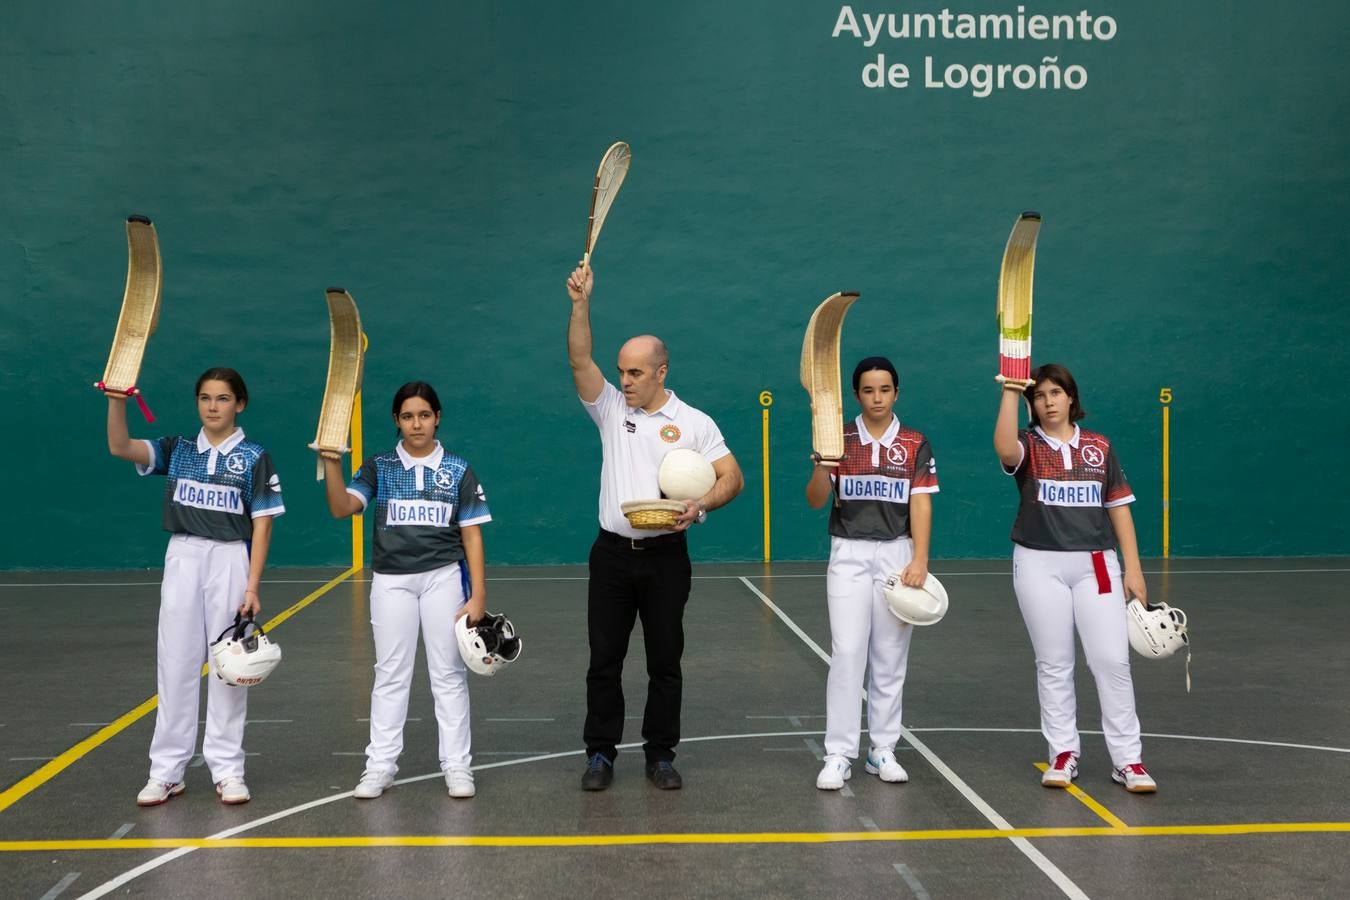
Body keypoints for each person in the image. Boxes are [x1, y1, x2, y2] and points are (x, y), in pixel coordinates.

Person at [566, 262, 744, 791]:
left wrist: (701, 506)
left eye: (635, 373)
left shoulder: (694, 423)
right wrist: (581, 304)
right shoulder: (609, 408)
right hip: (612, 555)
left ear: (661, 371)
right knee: (605, 660)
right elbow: (579, 357)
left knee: (665, 662)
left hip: (667, 558)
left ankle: (660, 755)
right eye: (622, 371)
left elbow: (732, 477)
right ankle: (600, 754)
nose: (625, 381)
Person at [105, 367, 284, 806]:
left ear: (239, 404)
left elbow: (262, 525)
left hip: (229, 559)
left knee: (229, 665)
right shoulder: (177, 449)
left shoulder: (255, 457)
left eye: (222, 399)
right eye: (205, 398)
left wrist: (252, 585)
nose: (212, 406)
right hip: (183, 556)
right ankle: (167, 771)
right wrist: (116, 400)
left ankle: (228, 770)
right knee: (175, 663)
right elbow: (120, 445)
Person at [320, 381, 491, 800]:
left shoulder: (458, 469)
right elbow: (342, 508)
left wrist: (478, 595)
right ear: (397, 421)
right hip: (392, 581)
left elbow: (471, 535)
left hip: (443, 579)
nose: (417, 424)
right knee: (390, 674)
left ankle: (457, 767)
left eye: (425, 415)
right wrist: (333, 464)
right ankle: (379, 767)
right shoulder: (380, 466)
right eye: (408, 416)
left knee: (448, 674)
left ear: (437, 418)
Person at [993, 364, 1157, 793]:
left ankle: (1129, 761)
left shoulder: (1099, 447)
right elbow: (1004, 449)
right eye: (1040, 395)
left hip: (1097, 564)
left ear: (1070, 397)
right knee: (1054, 663)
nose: (1047, 402)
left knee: (1111, 660)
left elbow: (1119, 507)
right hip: (1038, 564)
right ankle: (1063, 753)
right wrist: (1011, 391)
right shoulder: (1028, 445)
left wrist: (1134, 568)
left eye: (1055, 393)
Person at [805, 357, 938, 790]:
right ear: (856, 394)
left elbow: (920, 503)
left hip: (897, 556)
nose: (877, 398)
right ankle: (839, 753)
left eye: (884, 390)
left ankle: (882, 750)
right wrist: (824, 465)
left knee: (890, 657)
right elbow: (814, 499)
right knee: (847, 653)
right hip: (848, 554)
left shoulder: (916, 443)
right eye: (868, 390)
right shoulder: (838, 438)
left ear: (896, 393)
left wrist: (918, 559)